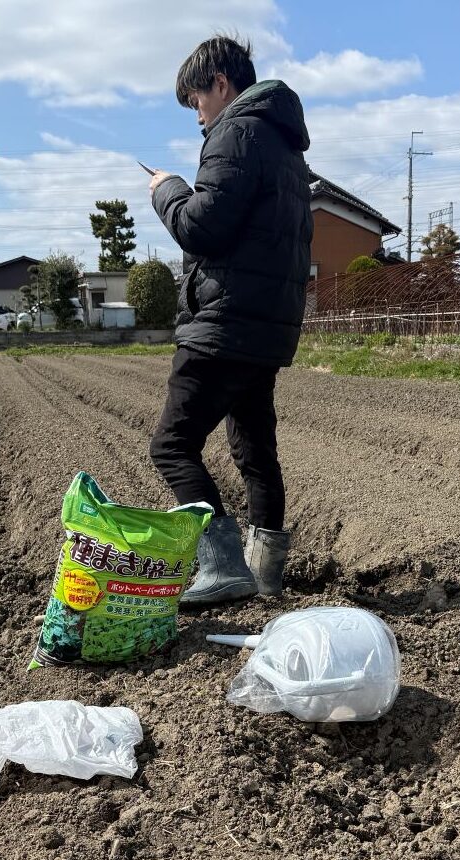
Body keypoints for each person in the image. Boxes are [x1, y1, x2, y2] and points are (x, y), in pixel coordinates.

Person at [147, 35, 312, 605]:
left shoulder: (235, 133)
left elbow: (201, 227)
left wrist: (166, 190)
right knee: (254, 452)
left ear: (221, 83)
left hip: (224, 322)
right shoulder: (285, 149)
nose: (198, 116)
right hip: (264, 329)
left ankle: (221, 567)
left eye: (196, 100)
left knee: (172, 446)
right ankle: (265, 575)